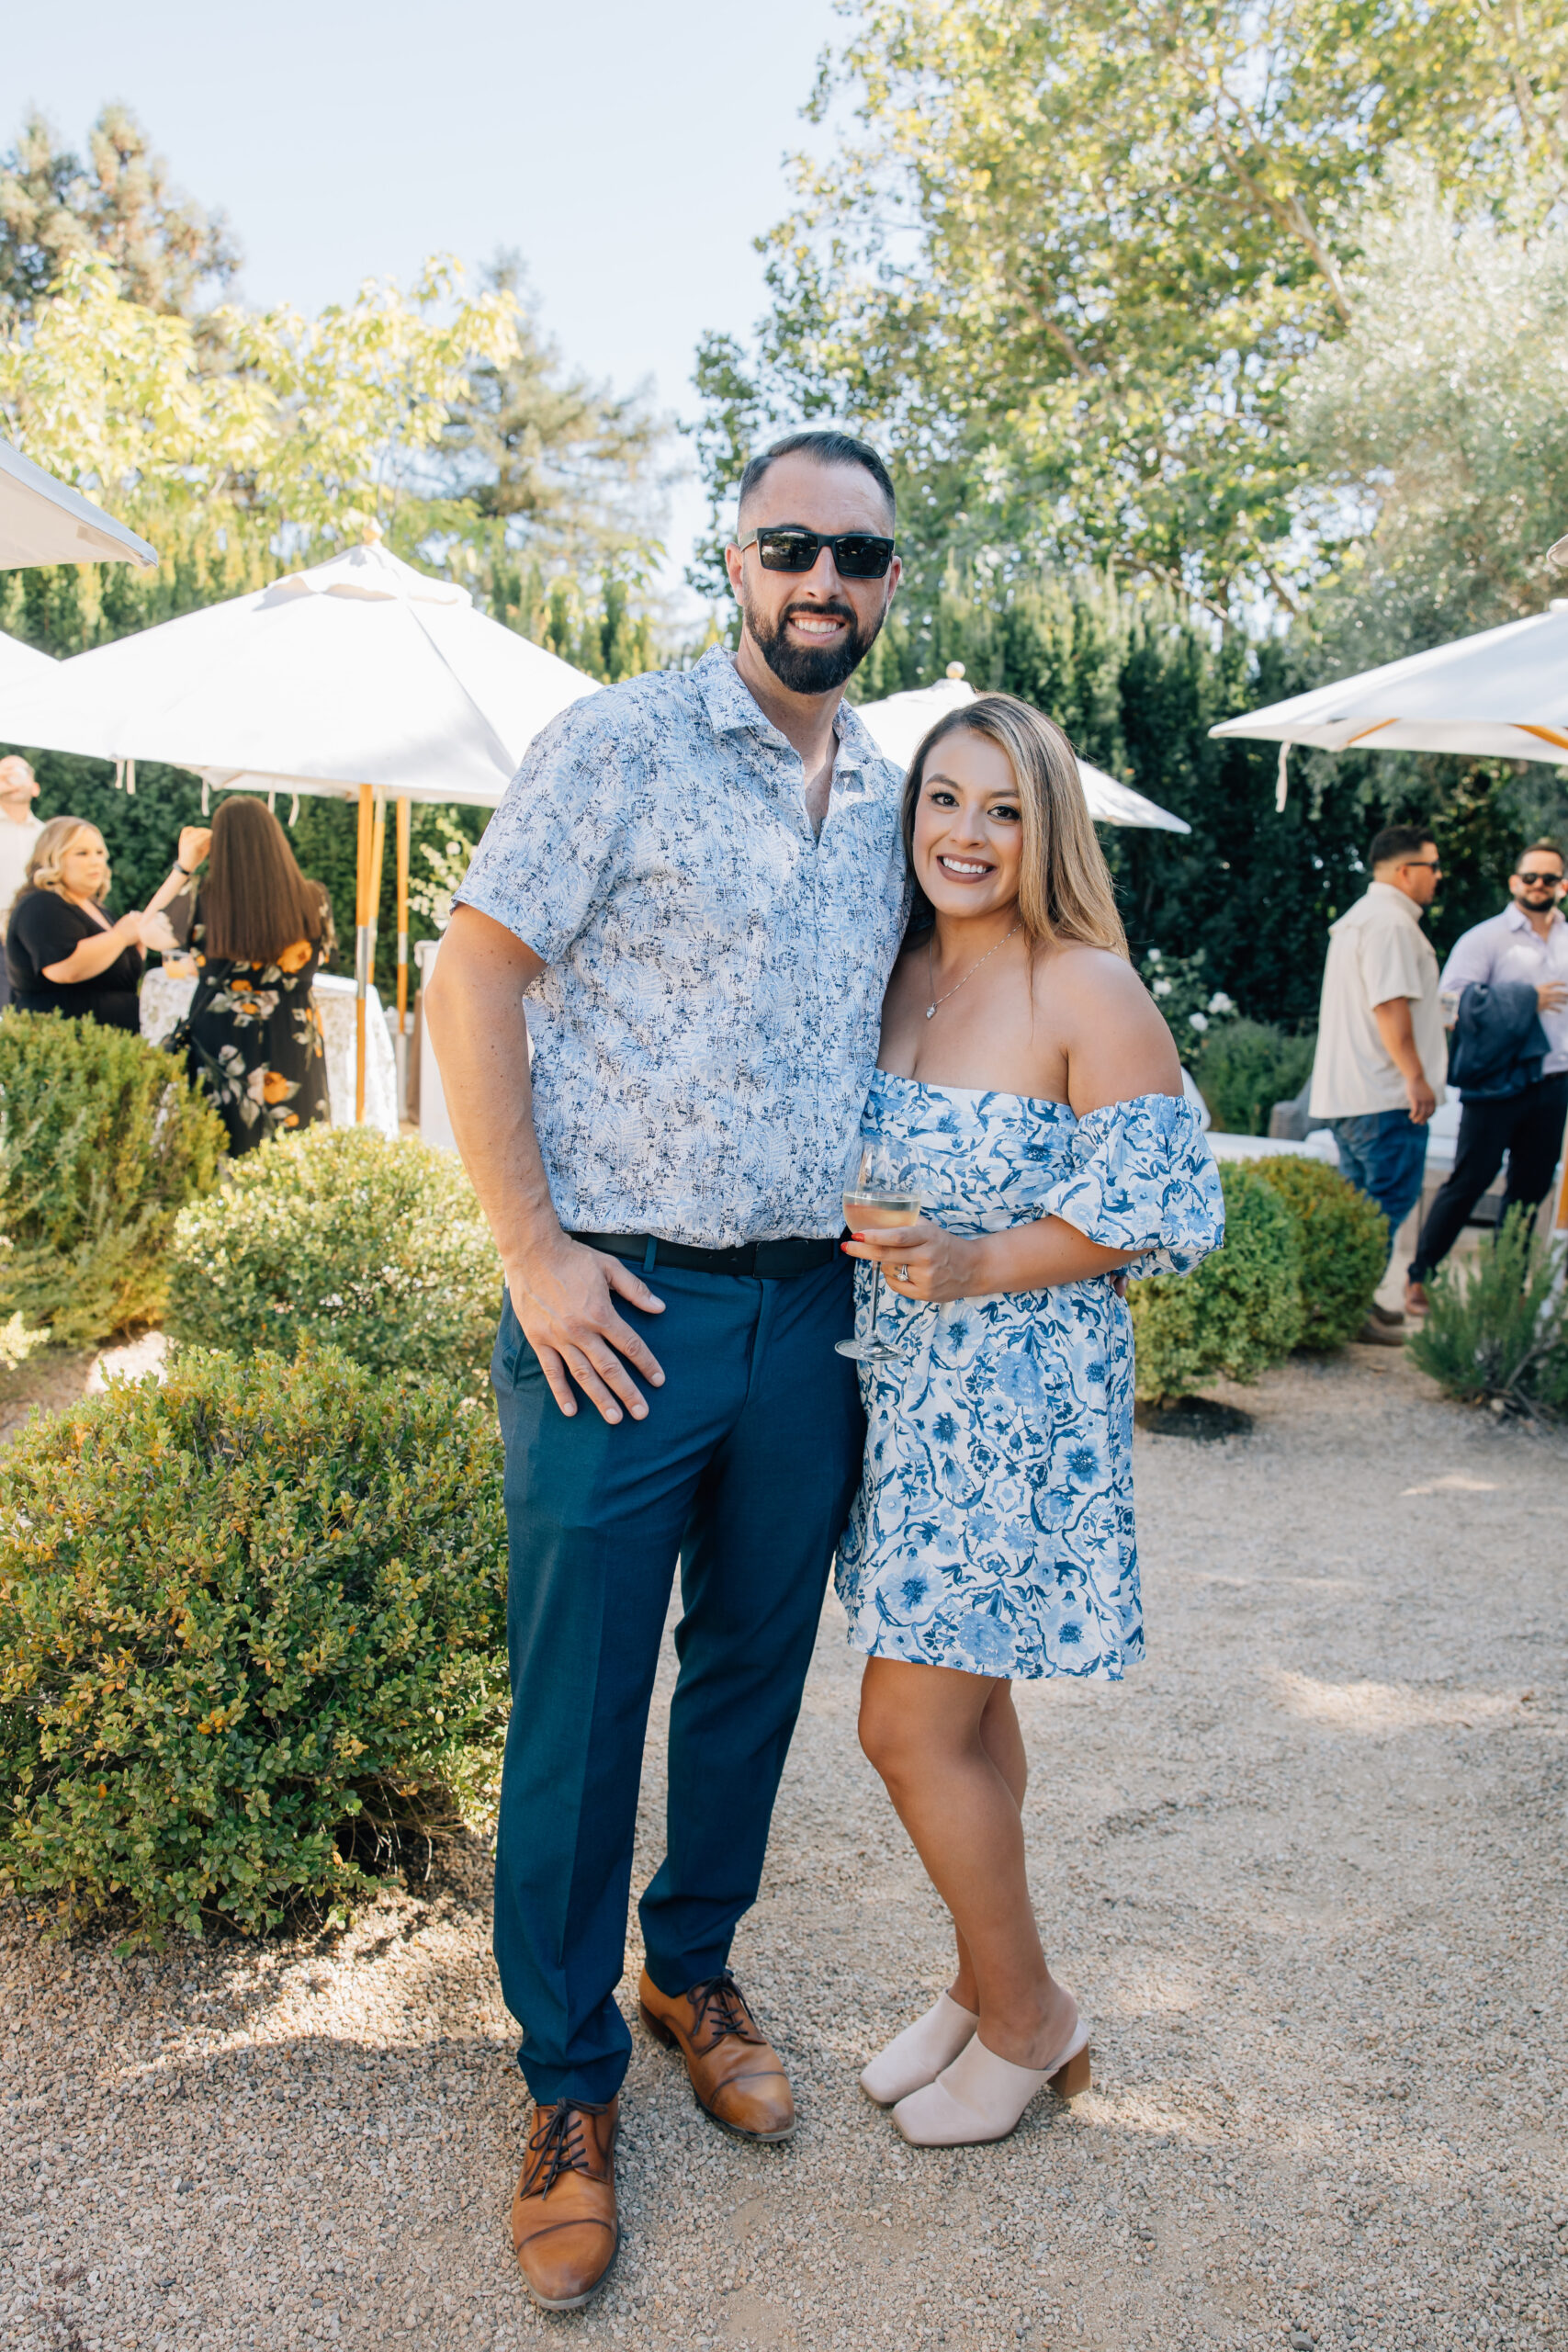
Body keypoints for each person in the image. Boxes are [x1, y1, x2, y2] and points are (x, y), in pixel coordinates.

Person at [425, 427, 908, 2312]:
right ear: (733, 561)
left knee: (751, 1672)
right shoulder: (616, 743)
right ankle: (565, 2083)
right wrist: (532, 1252)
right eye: (788, 545)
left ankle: (686, 1966)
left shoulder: (893, 794)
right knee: (580, 1698)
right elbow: (474, 975)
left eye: (854, 555)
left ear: (886, 581)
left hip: (811, 1309)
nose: (820, 581)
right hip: (616, 1302)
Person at [835, 695, 1223, 2148]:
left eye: (1001, 809)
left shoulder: (1084, 988)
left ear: (1043, 828)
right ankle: (973, 1982)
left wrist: (980, 1261)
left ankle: (1027, 2017)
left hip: (1014, 1408)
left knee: (904, 1727)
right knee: (971, 1714)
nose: (966, 833)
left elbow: (1169, 1207)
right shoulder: (891, 972)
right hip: (898, 1398)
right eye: (942, 799)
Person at [1406, 840, 1568, 1304]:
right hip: (1496, 1084)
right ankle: (1419, 1277)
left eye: (1549, 878)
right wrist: (1525, 1000)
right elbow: (1448, 1007)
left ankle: (1504, 1293)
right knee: (1469, 1182)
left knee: (1529, 1193)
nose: (1539, 885)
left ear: (1562, 885)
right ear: (1515, 882)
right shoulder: (1485, 939)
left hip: (1554, 1083)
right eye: (1530, 877)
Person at [1306, 825, 1447, 1332]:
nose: (1439, 877)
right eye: (1433, 866)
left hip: (1352, 1092)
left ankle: (1351, 1303)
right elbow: (1389, 1006)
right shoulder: (1391, 924)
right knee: (1385, 1207)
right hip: (1385, 1093)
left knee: (1361, 1208)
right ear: (1406, 871)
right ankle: (1351, 1310)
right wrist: (1416, 1077)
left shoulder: (1359, 920)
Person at [170, 796, 333, 1155]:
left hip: (222, 1029)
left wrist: (184, 866)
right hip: (291, 1028)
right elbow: (322, 956)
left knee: (220, 1141)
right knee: (294, 1141)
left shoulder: (202, 897)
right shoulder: (314, 898)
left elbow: (156, 930)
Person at [5, 816, 157, 1030]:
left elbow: (120, 975)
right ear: (53, 858)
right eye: (82, 853)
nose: (95, 861)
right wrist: (121, 936)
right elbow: (65, 968)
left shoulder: (98, 909)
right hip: (64, 1038)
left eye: (99, 853)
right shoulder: (41, 904)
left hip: (115, 1038)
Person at [0, 756, 44, 1012]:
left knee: (28, 1014)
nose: (10, 777)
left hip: (33, 938)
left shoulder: (45, 835)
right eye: (3, 773)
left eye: (18, 772)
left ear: (35, 787)